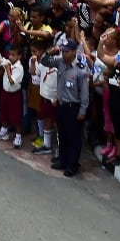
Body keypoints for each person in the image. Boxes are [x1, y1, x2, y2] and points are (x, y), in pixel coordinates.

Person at [41, 37, 90, 177]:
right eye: (63, 51)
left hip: (73, 107)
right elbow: (44, 61)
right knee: (62, 135)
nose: (64, 53)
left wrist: (82, 110)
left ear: (74, 52)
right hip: (61, 106)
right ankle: (63, 160)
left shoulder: (80, 70)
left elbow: (85, 93)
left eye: (67, 51)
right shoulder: (60, 62)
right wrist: (51, 52)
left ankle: (72, 165)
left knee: (73, 137)